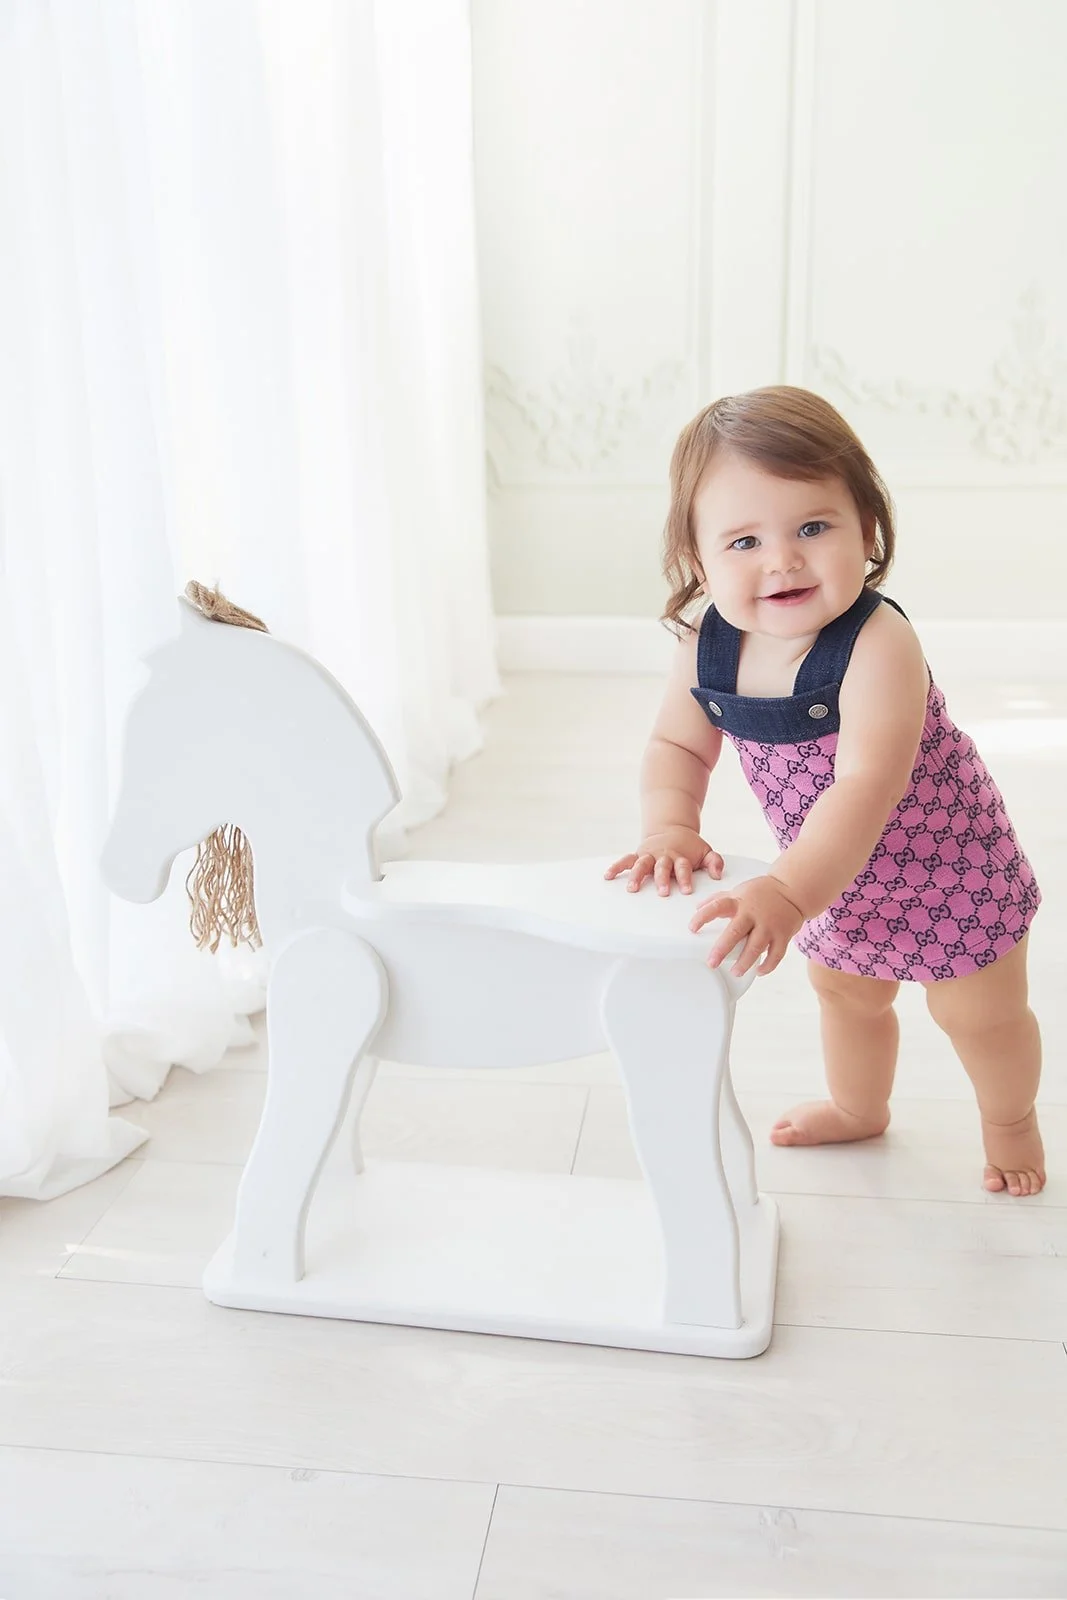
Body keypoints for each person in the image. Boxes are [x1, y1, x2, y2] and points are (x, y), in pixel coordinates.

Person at [607, 386, 1044, 1196]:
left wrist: (783, 890)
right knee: (845, 995)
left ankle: (1010, 1120)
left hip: (946, 870)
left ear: (866, 530)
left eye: (812, 527)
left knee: (975, 1016)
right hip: (829, 877)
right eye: (743, 540)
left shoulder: (879, 643)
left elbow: (865, 787)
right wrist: (670, 825)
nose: (781, 559)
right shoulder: (708, 647)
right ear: (698, 562)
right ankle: (858, 1106)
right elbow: (676, 743)